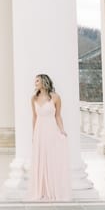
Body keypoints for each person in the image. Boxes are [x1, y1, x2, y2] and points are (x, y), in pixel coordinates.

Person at [28, 72, 71, 201]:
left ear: (44, 82)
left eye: (37, 81)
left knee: (51, 158)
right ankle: (41, 190)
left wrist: (62, 130)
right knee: (40, 158)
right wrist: (34, 134)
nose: (35, 83)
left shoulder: (55, 97)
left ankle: (52, 189)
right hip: (40, 131)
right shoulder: (34, 98)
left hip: (51, 130)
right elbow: (34, 117)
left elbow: (58, 115)